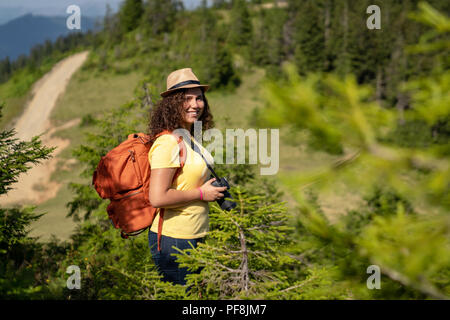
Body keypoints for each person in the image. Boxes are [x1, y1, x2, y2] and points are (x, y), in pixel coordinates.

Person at [147, 68, 227, 285]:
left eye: (199, 98)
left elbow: (185, 181)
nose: (195, 104)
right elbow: (157, 198)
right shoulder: (168, 142)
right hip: (175, 240)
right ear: (172, 103)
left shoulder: (189, 137)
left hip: (194, 235)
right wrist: (202, 193)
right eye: (187, 99)